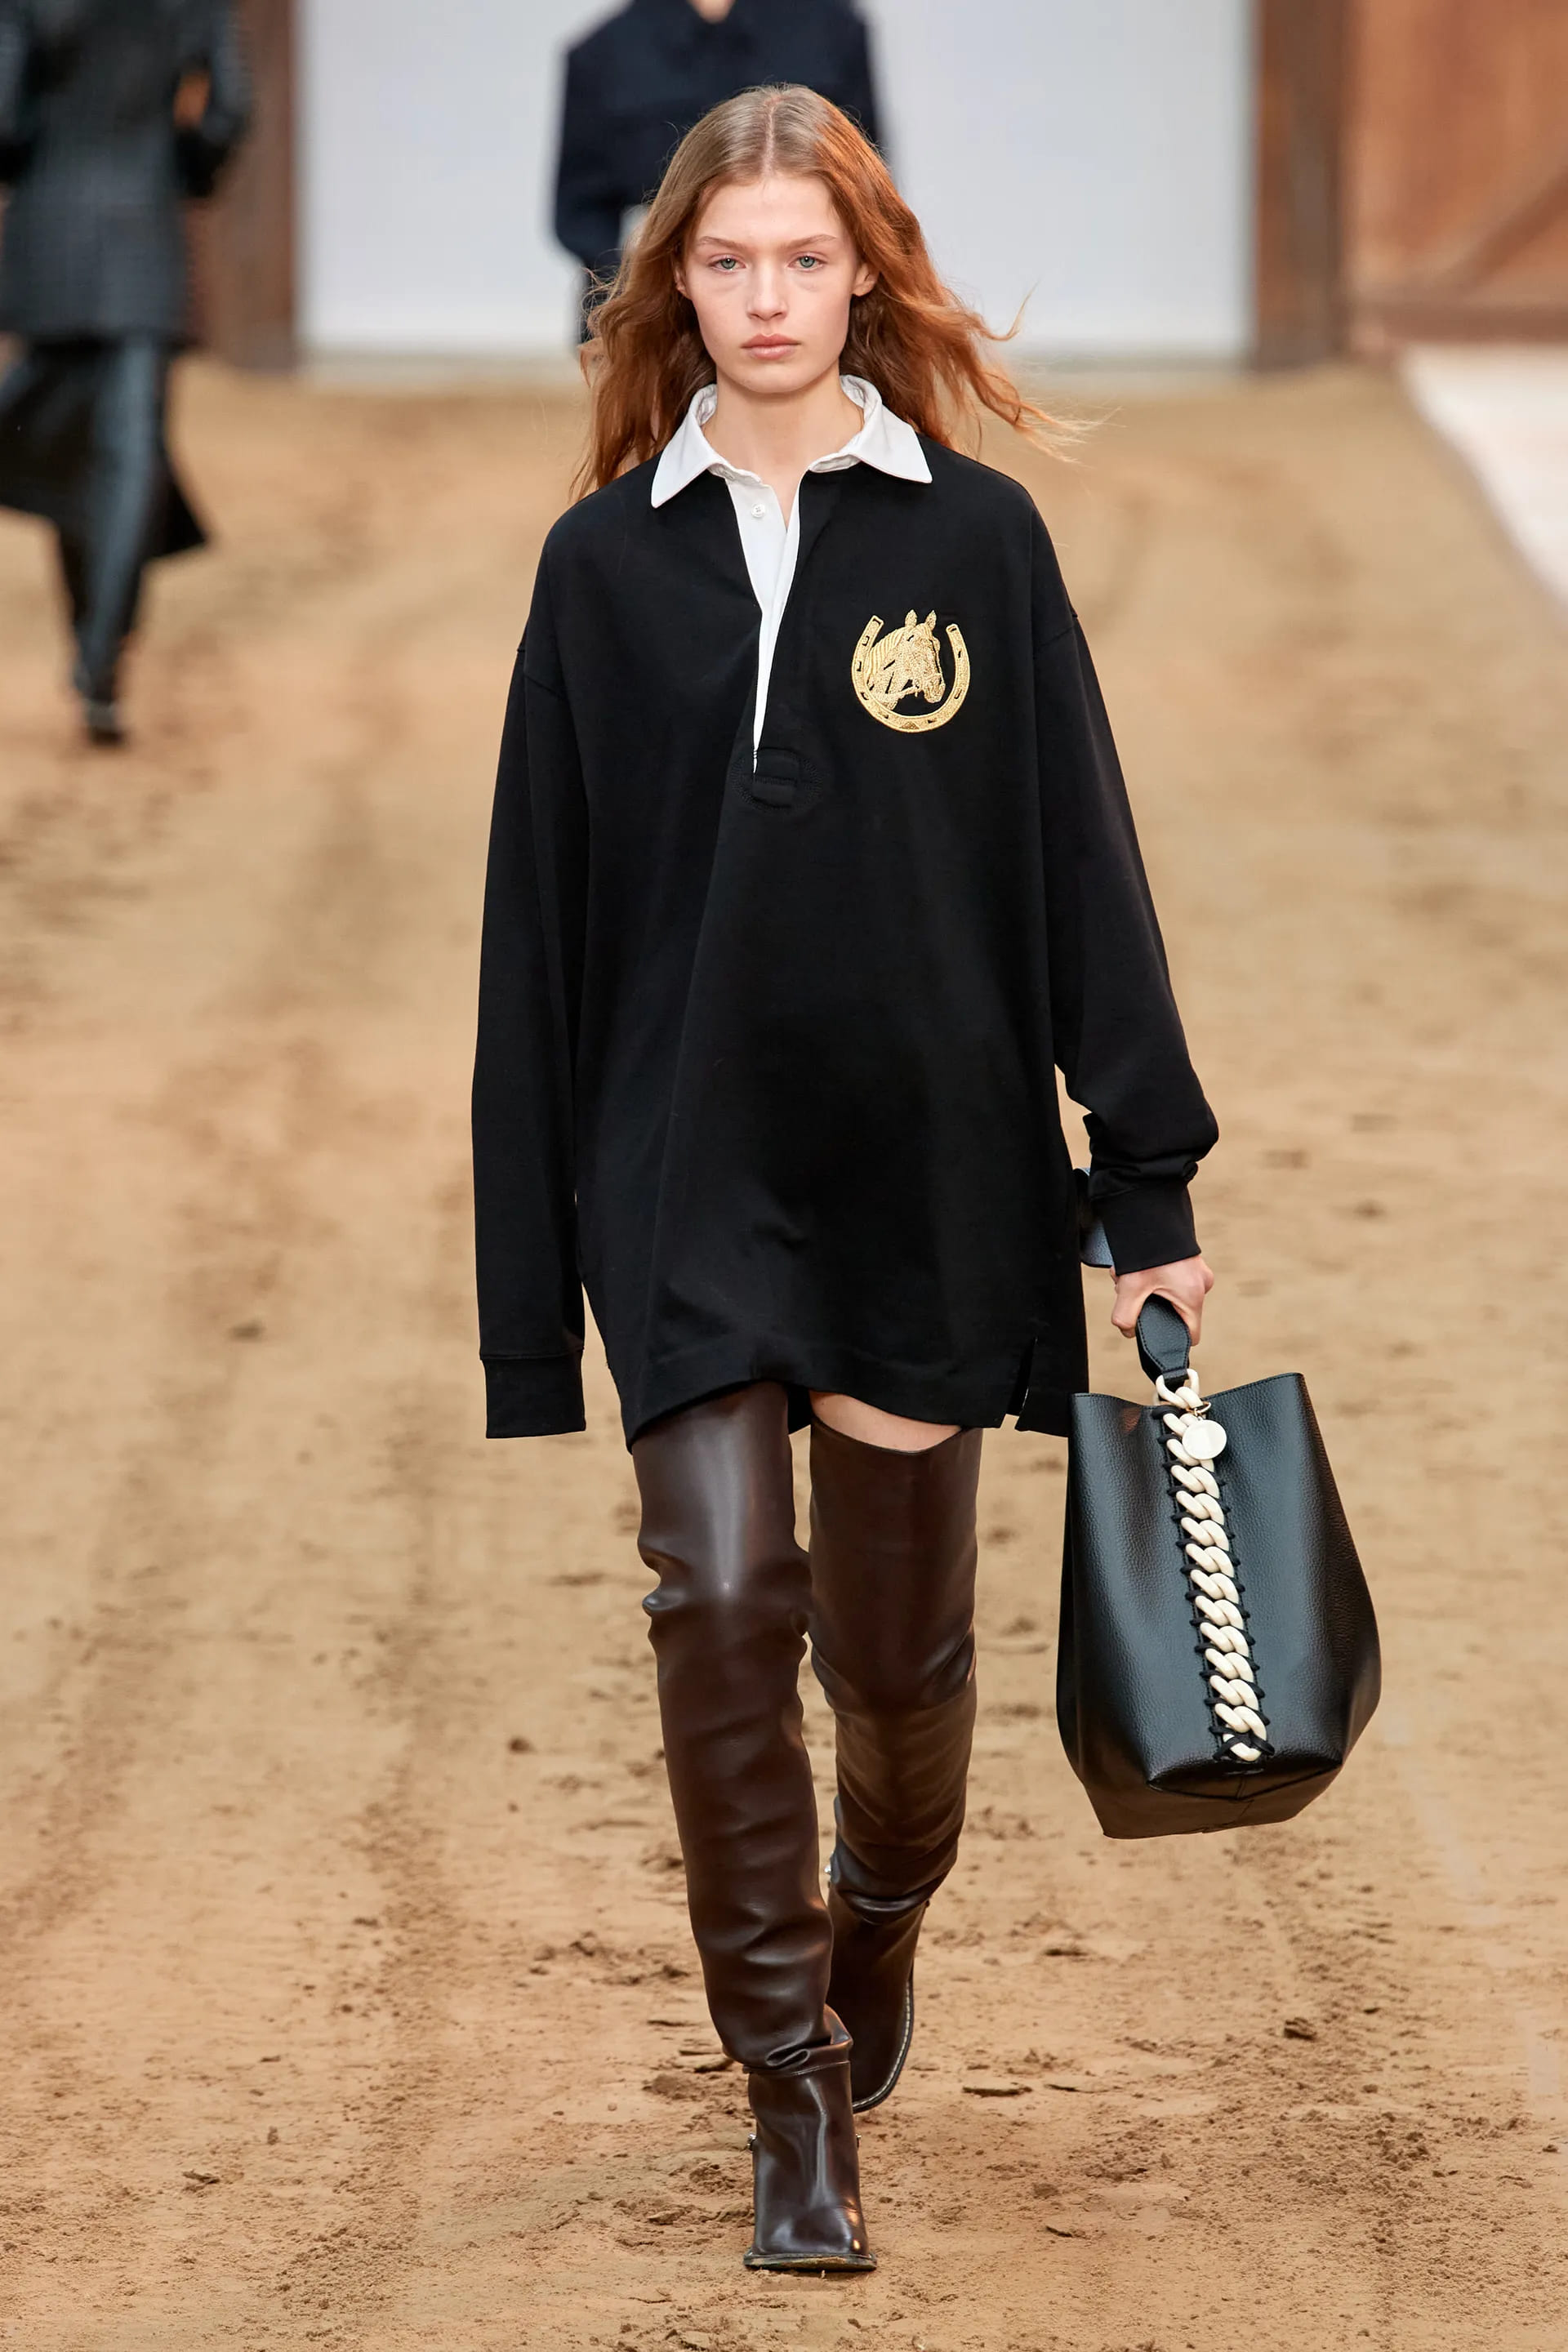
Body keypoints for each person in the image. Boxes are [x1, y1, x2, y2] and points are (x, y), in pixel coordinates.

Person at [474, 87, 1218, 2274]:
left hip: (926, 1165)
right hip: (681, 1166)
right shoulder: (603, 569)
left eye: (807, 259)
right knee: (718, 1596)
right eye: (728, 263)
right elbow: (535, 938)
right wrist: (529, 1302)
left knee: (894, 1670)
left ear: (866, 275)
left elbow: (1080, 870)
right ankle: (790, 2084)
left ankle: (880, 1903)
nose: (769, 298)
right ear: (674, 287)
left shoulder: (974, 547)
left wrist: (1147, 1188)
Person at [0, 0, 251, 745]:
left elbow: (4, 120)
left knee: (71, 446)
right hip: (146, 234)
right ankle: (105, 647)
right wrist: (184, 168)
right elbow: (230, 109)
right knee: (128, 447)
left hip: (48, 236)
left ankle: (92, 635)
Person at [554, 0, 878, 333]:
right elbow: (580, 207)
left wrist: (808, 258)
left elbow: (866, 182)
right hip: (651, 314)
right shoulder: (602, 53)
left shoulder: (832, 30)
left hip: (802, 303)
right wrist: (649, 273)